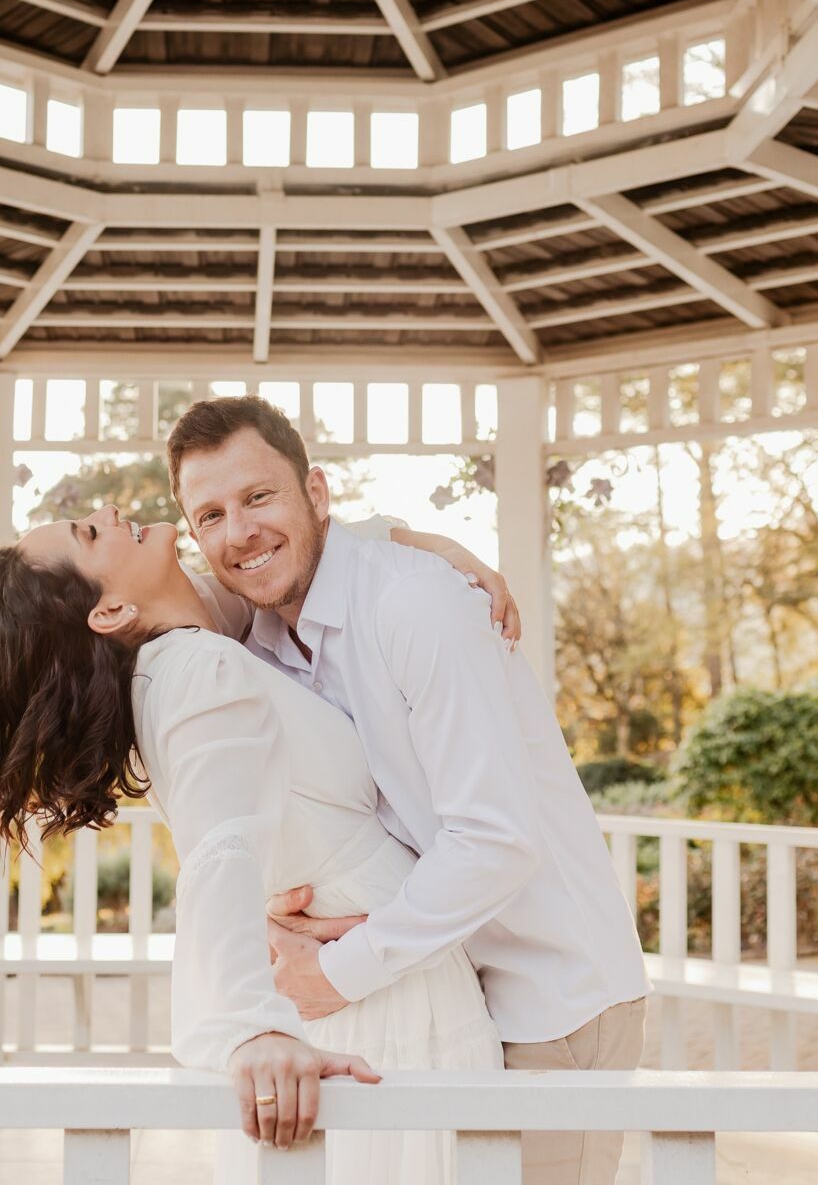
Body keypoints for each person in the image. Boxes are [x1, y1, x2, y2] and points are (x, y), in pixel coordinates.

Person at [0, 504, 513, 1183]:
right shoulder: (198, 671)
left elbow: (312, 553)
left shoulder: (188, 646)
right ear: (110, 613)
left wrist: (430, 546)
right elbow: (221, 853)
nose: (109, 511)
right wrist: (250, 1026)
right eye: (90, 534)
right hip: (382, 1006)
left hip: (372, 972)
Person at [166, 396, 651, 1185]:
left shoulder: (417, 605)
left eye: (259, 496)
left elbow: (493, 841)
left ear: (316, 492)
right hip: (440, 998)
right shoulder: (260, 634)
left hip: (547, 999)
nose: (239, 533)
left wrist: (334, 973)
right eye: (211, 515)